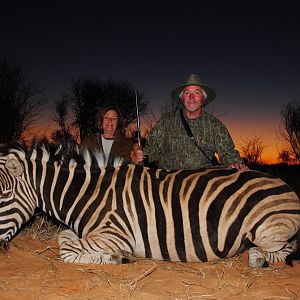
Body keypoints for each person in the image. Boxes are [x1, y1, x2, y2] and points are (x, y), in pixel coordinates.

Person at [131, 74, 247, 170]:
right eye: (187, 92)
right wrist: (140, 157)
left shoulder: (214, 125)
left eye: (197, 92)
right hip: (169, 184)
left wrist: (236, 163)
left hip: (202, 184)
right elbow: (151, 150)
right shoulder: (166, 121)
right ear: (182, 98)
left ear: (203, 98)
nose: (191, 97)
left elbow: (228, 153)